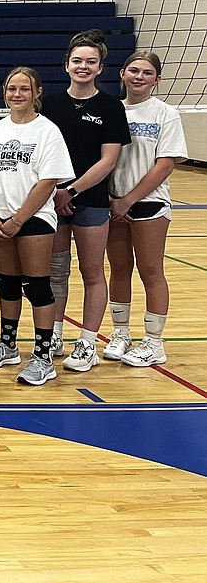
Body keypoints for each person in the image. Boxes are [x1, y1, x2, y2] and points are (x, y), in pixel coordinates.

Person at [0, 67, 74, 386]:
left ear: (37, 93)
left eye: (24, 89)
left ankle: (43, 356)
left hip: (34, 220)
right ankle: (8, 345)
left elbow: (49, 181)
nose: (17, 94)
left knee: (37, 285)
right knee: (6, 282)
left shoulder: (47, 131)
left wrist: (19, 219)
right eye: (11, 89)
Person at [40, 29, 131, 372]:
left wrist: (71, 191)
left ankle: (88, 342)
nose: (83, 66)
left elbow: (108, 160)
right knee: (56, 271)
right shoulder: (49, 105)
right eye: (77, 60)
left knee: (92, 272)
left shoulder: (109, 107)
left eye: (90, 61)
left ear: (100, 68)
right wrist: (54, 192)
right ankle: (57, 334)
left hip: (90, 201)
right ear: (66, 65)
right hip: (52, 201)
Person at [105, 51, 187, 367]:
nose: (140, 76)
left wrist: (130, 199)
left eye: (147, 72)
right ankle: (120, 334)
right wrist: (116, 200)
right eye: (134, 70)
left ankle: (154, 343)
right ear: (122, 74)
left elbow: (165, 164)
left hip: (149, 203)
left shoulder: (165, 114)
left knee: (150, 271)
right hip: (113, 203)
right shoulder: (111, 110)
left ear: (157, 79)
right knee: (119, 268)